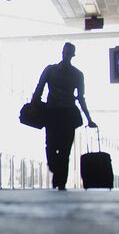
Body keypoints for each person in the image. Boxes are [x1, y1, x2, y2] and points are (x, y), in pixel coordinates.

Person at [30, 42, 97, 190]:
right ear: (63, 53)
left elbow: (80, 97)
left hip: (58, 115)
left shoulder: (59, 72)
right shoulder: (71, 73)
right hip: (62, 115)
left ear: (72, 55)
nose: (66, 56)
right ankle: (58, 175)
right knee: (56, 149)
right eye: (65, 53)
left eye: (68, 53)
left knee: (58, 149)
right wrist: (34, 105)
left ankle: (60, 182)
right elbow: (39, 89)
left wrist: (89, 118)